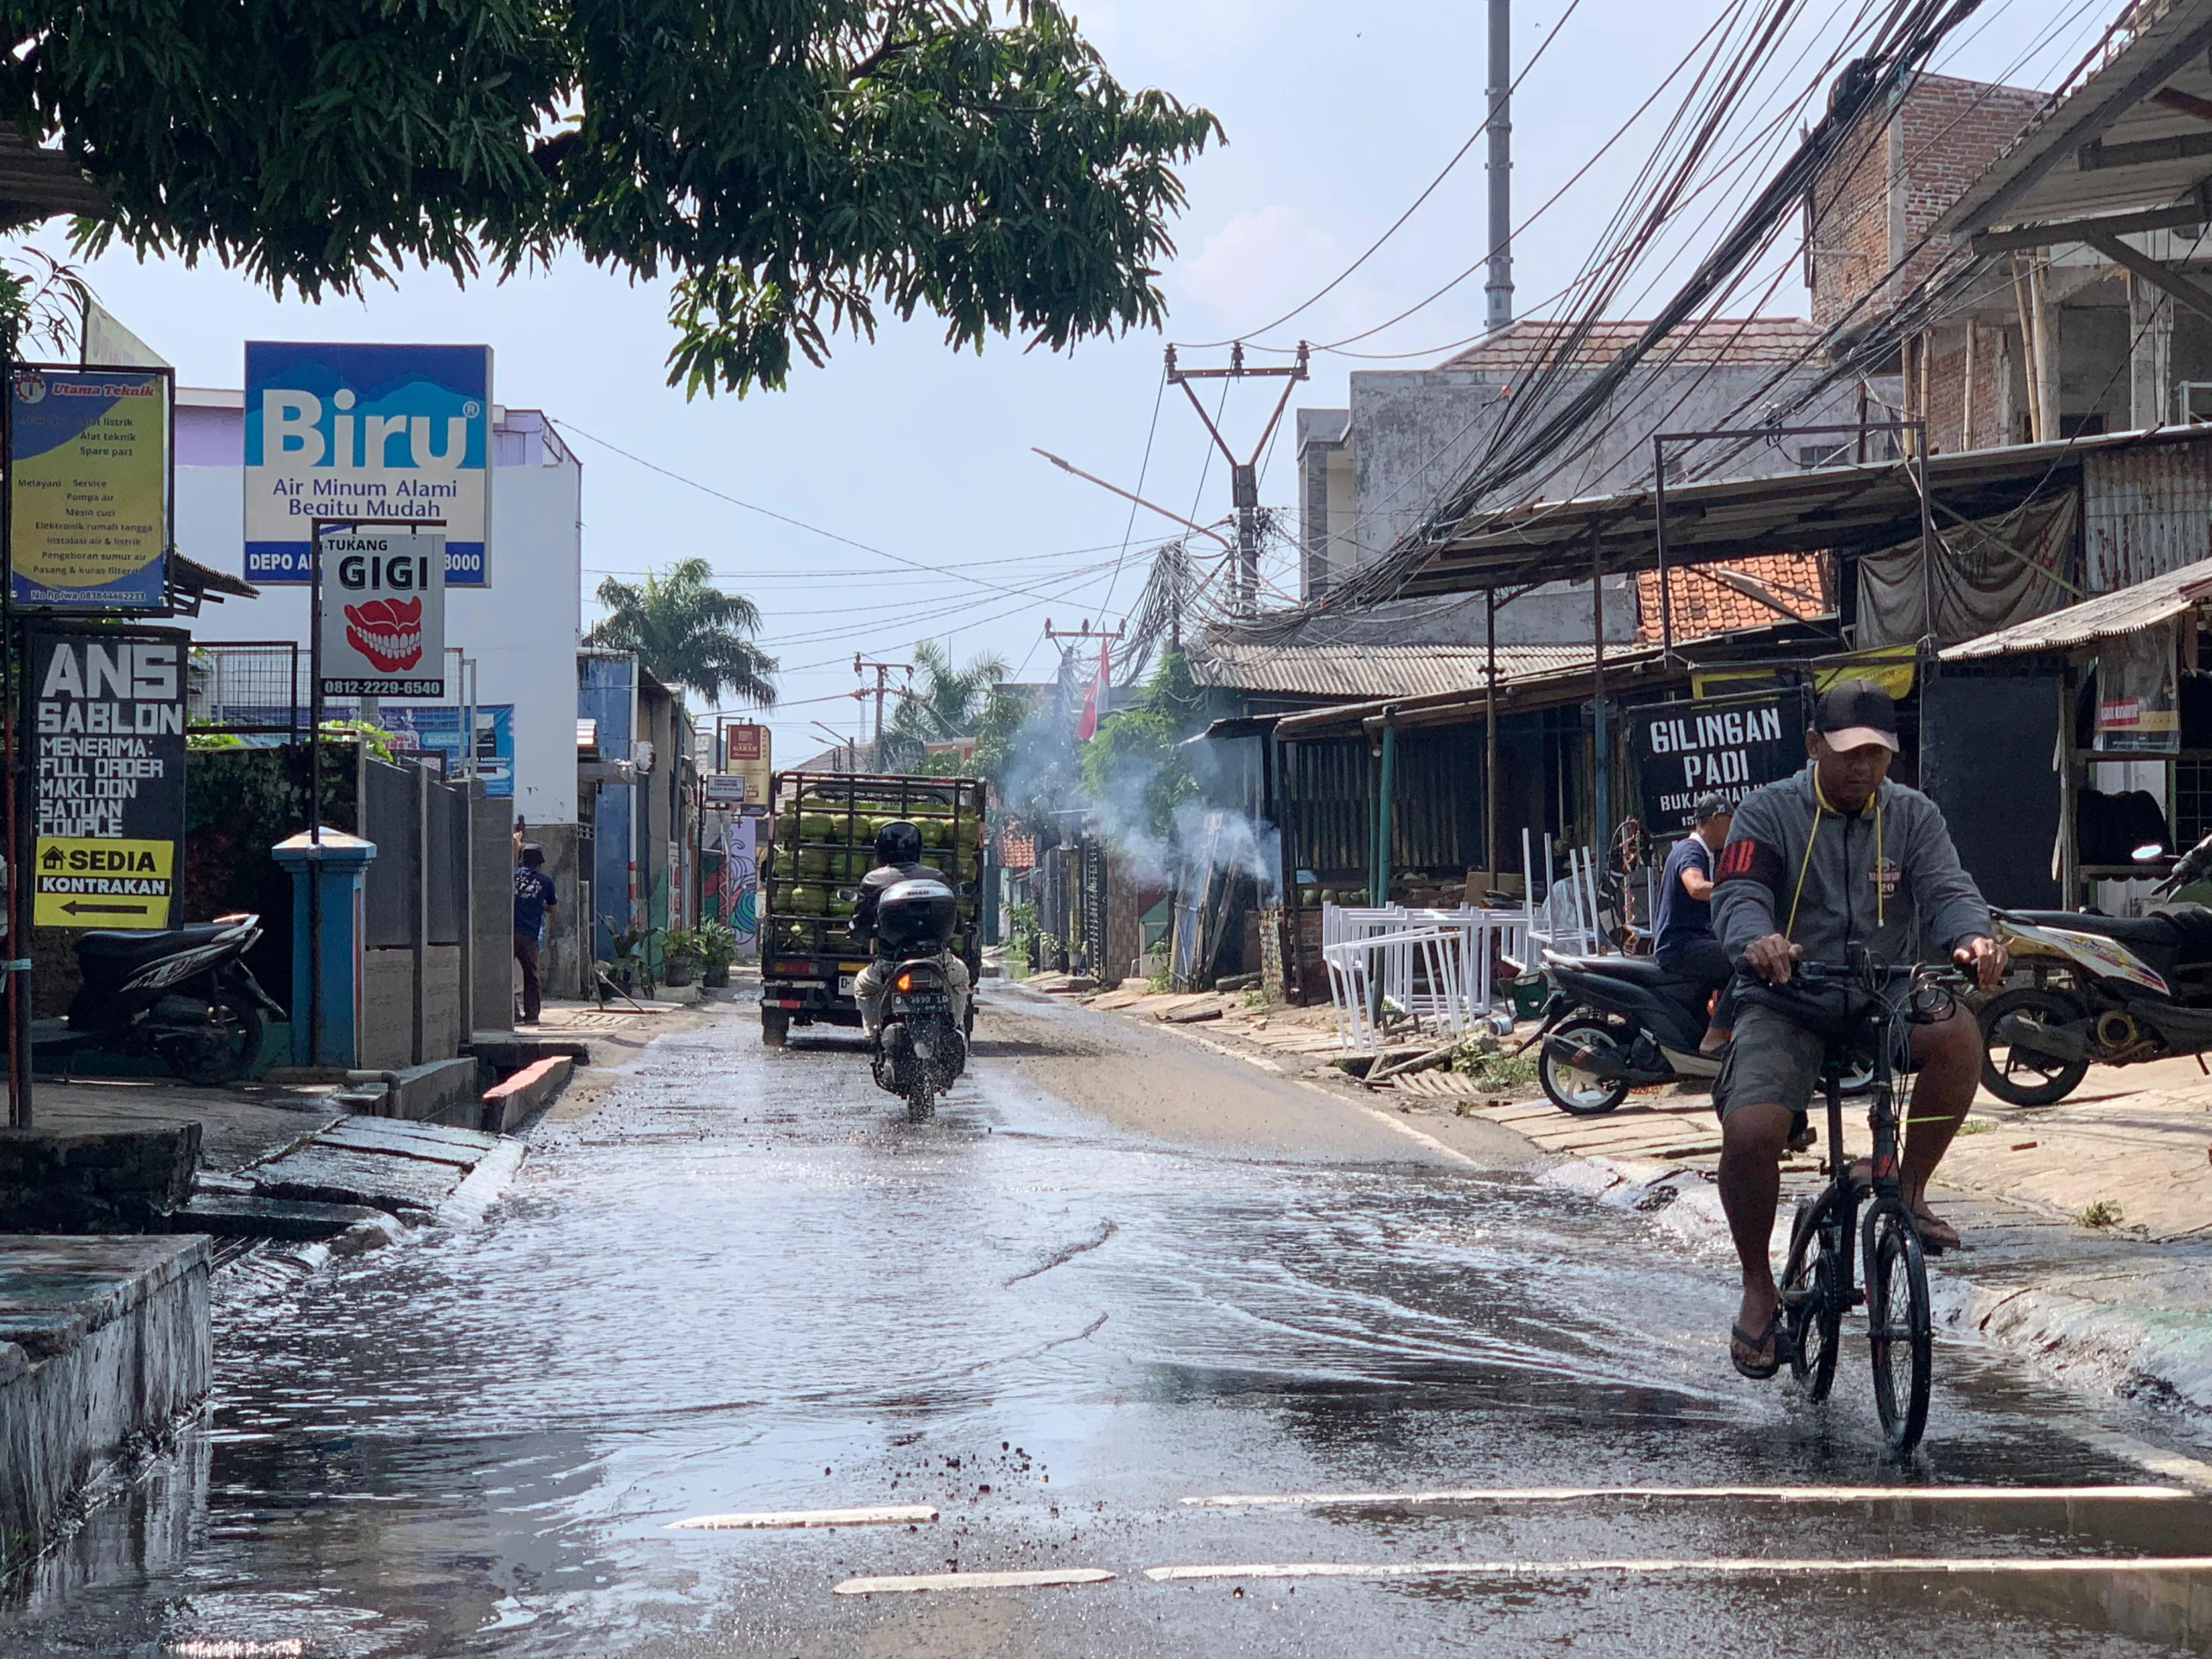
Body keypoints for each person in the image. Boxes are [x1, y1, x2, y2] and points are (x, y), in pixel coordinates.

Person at [1710, 678, 2005, 1381]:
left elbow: (1948, 888)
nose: (1862, 769)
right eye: (1848, 753)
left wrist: (1973, 938)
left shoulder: (1914, 815)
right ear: (1814, 746)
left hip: (1884, 991)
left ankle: (1909, 1192)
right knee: (1751, 1130)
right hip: (1788, 996)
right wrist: (1759, 940)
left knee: (1959, 1035)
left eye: (1877, 755)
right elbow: (1739, 893)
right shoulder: (1766, 812)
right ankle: (1758, 1285)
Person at [851, 820, 972, 1039]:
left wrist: (859, 936)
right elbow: (957, 922)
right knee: (962, 977)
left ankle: (875, 1034)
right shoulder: (937, 878)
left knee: (862, 985)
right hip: (938, 962)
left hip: (891, 965)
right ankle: (956, 1026)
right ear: (918, 849)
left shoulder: (872, 880)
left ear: (881, 850)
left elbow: (861, 925)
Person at [1653, 793, 1736, 1055]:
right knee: (1744, 961)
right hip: (1680, 945)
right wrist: (1734, 890)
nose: (1733, 828)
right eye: (1730, 821)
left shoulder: (1704, 853)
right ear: (1716, 819)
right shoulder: (1691, 850)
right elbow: (1696, 887)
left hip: (1691, 942)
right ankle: (1713, 1039)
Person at [513, 843, 557, 1025]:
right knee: (530, 975)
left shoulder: (512, 876)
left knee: (505, 975)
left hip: (508, 934)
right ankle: (531, 1016)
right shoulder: (545, 882)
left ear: (522, 860)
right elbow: (553, 909)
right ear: (540, 863)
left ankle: (512, 1014)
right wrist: (538, 905)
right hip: (529, 934)